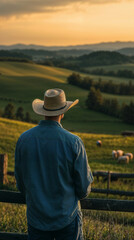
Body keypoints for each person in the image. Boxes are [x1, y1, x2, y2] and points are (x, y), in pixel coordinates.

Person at [15, 88, 93, 240]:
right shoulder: (73, 142)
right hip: (67, 218)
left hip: (36, 218)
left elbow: (21, 183)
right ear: (63, 112)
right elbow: (83, 188)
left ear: (43, 111)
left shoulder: (24, 140)